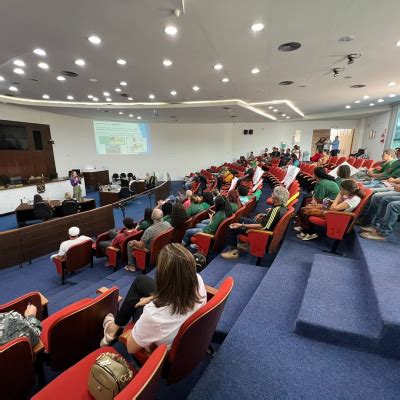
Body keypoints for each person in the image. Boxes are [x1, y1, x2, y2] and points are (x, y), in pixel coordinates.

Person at [100, 243, 207, 348]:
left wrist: (149, 305)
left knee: (137, 307)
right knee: (141, 280)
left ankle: (112, 329)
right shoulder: (197, 279)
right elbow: (176, 293)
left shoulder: (152, 315)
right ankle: (116, 325)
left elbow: (131, 348)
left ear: (162, 278)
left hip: (164, 337)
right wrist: (152, 298)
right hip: (180, 314)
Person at [221, 186, 289, 259]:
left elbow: (263, 227)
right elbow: (272, 219)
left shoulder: (275, 210)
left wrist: (242, 225)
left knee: (232, 227)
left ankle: (233, 252)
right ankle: (244, 244)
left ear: (276, 198)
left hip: (261, 232)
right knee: (241, 218)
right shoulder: (283, 207)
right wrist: (264, 215)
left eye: (273, 194)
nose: (271, 195)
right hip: (263, 225)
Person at [296, 179, 364, 241]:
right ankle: (305, 229)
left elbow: (333, 208)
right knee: (308, 207)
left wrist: (339, 194)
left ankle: (311, 233)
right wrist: (331, 200)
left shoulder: (354, 200)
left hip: (335, 216)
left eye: (342, 189)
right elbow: (338, 203)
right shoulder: (350, 194)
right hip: (333, 211)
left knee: (306, 211)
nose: (341, 191)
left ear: (348, 190)